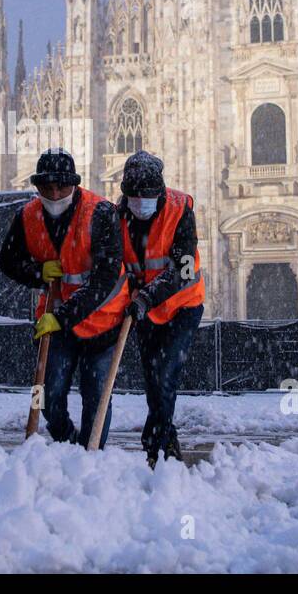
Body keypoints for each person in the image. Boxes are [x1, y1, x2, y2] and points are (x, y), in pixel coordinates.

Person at [0, 147, 130, 449]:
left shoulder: (101, 212)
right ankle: (65, 439)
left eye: (62, 185)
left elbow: (105, 277)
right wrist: (36, 272)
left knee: (96, 395)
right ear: (37, 187)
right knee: (47, 392)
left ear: (75, 184)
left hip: (102, 322)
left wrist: (62, 316)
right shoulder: (27, 216)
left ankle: (91, 455)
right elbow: (7, 261)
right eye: (47, 186)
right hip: (55, 326)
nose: (56, 193)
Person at [116, 151, 205, 467]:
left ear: (161, 191)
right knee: (154, 380)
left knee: (166, 372)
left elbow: (183, 271)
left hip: (183, 305)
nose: (142, 200)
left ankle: (156, 447)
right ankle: (166, 440)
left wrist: (146, 297)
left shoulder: (180, 210)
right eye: (135, 195)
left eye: (148, 194)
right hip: (146, 311)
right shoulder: (118, 217)